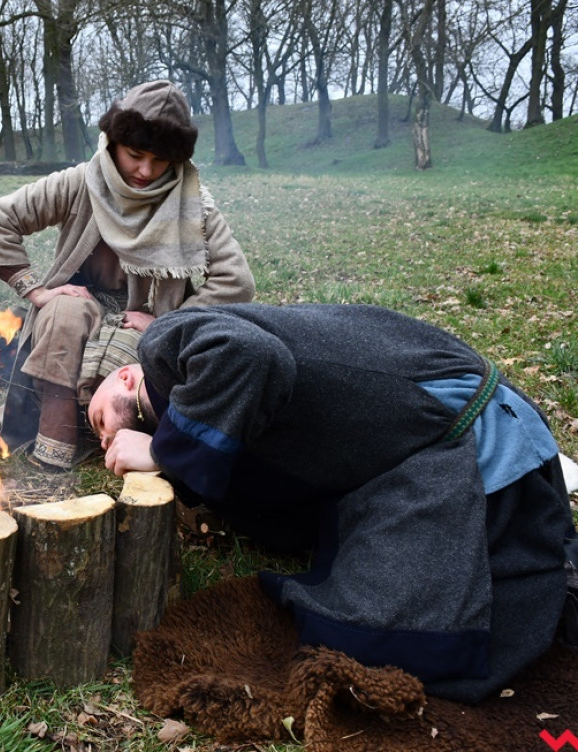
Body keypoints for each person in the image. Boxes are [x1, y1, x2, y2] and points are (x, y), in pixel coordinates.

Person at [87, 302, 576, 704]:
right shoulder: (205, 408)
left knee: (399, 639)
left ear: (126, 378)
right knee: (358, 630)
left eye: (99, 420)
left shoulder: (164, 342)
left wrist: (160, 450)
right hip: (403, 449)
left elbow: (250, 353)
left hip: (456, 427)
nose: (106, 438)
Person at [0, 80, 255, 469]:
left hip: (142, 326)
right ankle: (55, 446)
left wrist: (167, 323)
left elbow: (237, 281)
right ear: (112, 143)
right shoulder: (79, 182)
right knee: (63, 313)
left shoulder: (194, 206)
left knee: (136, 369)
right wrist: (36, 291)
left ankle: (110, 438)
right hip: (77, 313)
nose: (145, 170)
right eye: (135, 154)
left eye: (160, 161)